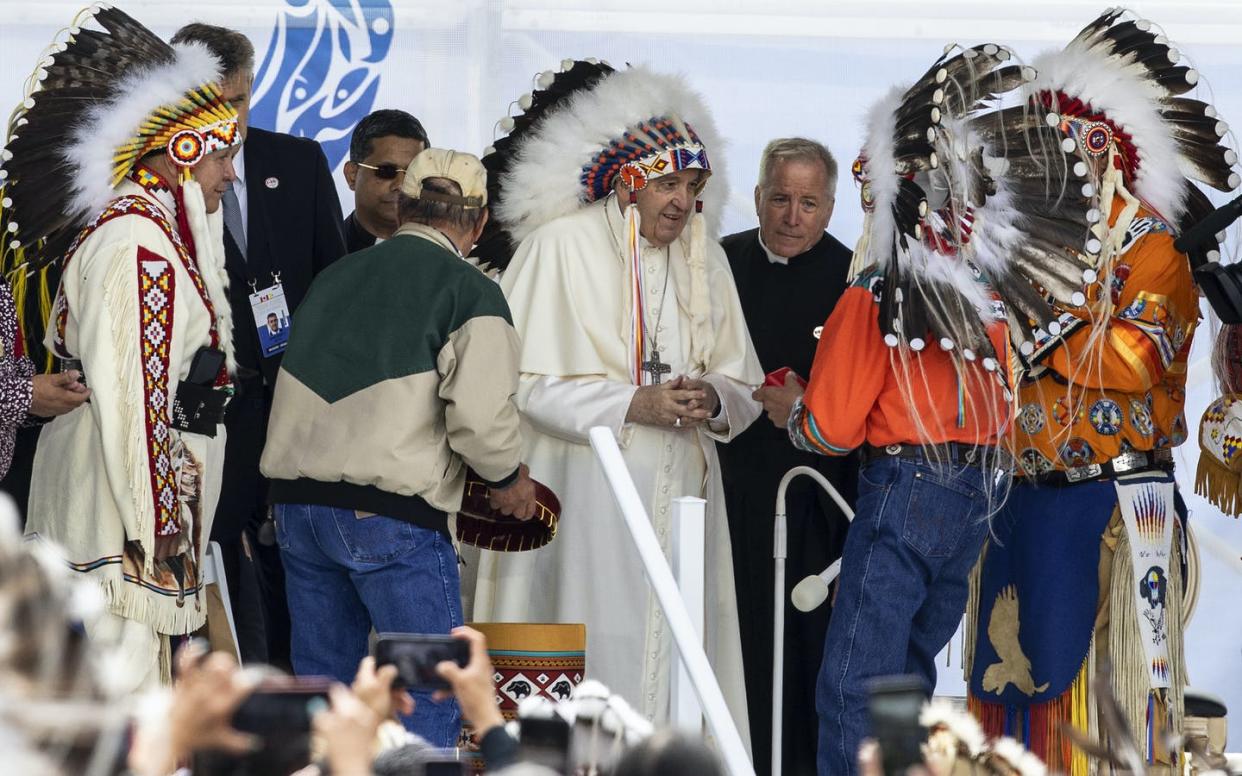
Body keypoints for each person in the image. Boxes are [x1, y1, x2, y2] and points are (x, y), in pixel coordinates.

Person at [753, 43, 1066, 775]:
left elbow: (829, 428)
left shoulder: (877, 289)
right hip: (978, 492)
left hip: (908, 488)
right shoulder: (990, 287)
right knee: (908, 679)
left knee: (855, 681)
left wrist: (789, 407)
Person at [963, 11, 1234, 770]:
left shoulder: (1154, 247)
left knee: (1106, 704)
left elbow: (1134, 356)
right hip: (1017, 497)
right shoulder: (1015, 242)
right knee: (1008, 689)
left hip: (1112, 508)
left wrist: (1035, 325)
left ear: (1100, 150)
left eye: (1058, 146)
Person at [469, 61, 764, 739]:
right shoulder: (556, 248)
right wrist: (632, 404)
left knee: (683, 656)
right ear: (628, 182)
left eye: (691, 186)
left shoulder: (706, 259)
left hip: (685, 500)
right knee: (590, 655)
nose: (681, 202)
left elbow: (742, 384)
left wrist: (710, 398)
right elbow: (514, 387)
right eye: (666, 184)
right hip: (586, 502)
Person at [260, 148, 535, 747]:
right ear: (480, 221)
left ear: (404, 208)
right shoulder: (470, 291)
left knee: (327, 707)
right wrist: (510, 478)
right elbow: (482, 425)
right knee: (426, 705)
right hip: (389, 517)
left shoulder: (335, 275)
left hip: (298, 512)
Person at [9, 7, 241, 690]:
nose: (231, 176)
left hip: (113, 506)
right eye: (224, 155)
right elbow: (134, 394)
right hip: (118, 524)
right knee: (125, 701)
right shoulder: (138, 245)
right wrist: (158, 529)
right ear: (183, 152)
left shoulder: (146, 232)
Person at [170, 22, 348, 668]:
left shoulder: (297, 162)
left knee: (299, 573)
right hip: (209, 417)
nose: (230, 119)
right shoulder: (162, 180)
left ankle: (297, 721)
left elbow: (335, 283)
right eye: (212, 103)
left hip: (296, 412)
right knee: (208, 566)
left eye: (238, 100)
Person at [718, 137, 857, 776]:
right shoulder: (720, 264)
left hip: (816, 503)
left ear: (830, 208)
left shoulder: (854, 281)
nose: (792, 216)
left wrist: (810, 404)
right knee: (732, 644)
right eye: (780, 198)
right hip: (727, 492)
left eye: (808, 202)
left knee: (806, 661)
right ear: (757, 199)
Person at [343, 109, 431, 252]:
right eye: (386, 171)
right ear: (352, 175)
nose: (401, 185)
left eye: (413, 173)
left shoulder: (443, 257)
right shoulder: (320, 255)